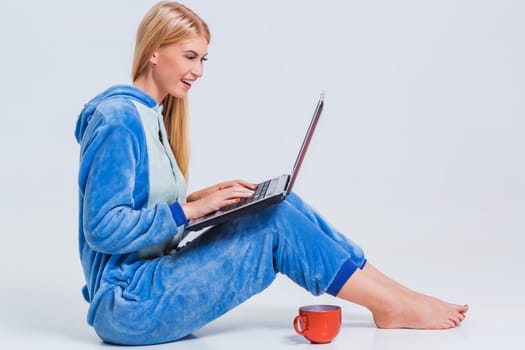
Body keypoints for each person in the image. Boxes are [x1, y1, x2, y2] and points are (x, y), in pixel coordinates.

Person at [75, 1, 468, 346]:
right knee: (277, 224)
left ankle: (396, 296)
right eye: (190, 56)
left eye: (203, 60)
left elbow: (140, 204)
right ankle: (393, 306)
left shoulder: (149, 115)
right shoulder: (118, 119)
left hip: (146, 286)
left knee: (282, 203)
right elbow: (104, 228)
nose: (199, 70)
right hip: (129, 304)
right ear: (155, 52)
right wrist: (191, 212)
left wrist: (202, 198)